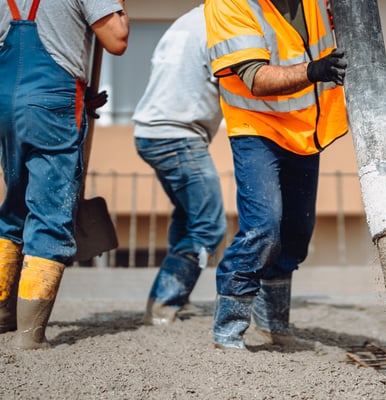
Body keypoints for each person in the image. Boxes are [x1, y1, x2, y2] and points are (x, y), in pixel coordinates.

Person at [204, 0, 348, 349]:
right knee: (263, 229)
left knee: (296, 233)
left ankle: (273, 327)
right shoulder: (228, 3)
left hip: (303, 127)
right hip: (257, 128)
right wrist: (314, 70)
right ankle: (228, 331)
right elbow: (255, 78)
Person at [0, 0, 129, 349]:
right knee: (51, 215)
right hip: (53, 101)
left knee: (15, 206)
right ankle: (30, 337)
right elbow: (116, 40)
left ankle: (3, 316)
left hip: (6, 99)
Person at [132, 4, 227, 326]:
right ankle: (163, 306)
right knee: (210, 225)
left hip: (153, 132)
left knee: (189, 217)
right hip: (177, 136)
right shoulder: (224, 23)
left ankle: (174, 299)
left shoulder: (188, 21)